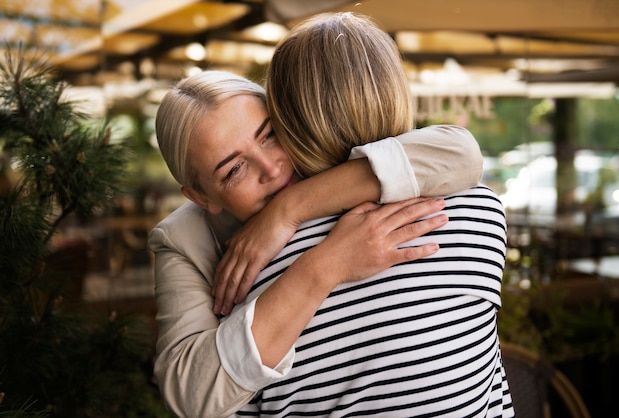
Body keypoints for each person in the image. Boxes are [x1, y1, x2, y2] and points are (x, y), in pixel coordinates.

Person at [149, 34, 484, 418]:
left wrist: (288, 210)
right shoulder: (184, 239)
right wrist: (323, 267)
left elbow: (460, 154)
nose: (272, 169)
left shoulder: (322, 164)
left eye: (271, 135)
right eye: (234, 169)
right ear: (201, 198)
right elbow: (190, 396)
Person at [220, 12, 514, 417]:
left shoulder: (249, 264)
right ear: (396, 91)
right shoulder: (481, 211)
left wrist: (289, 209)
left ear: (286, 124)